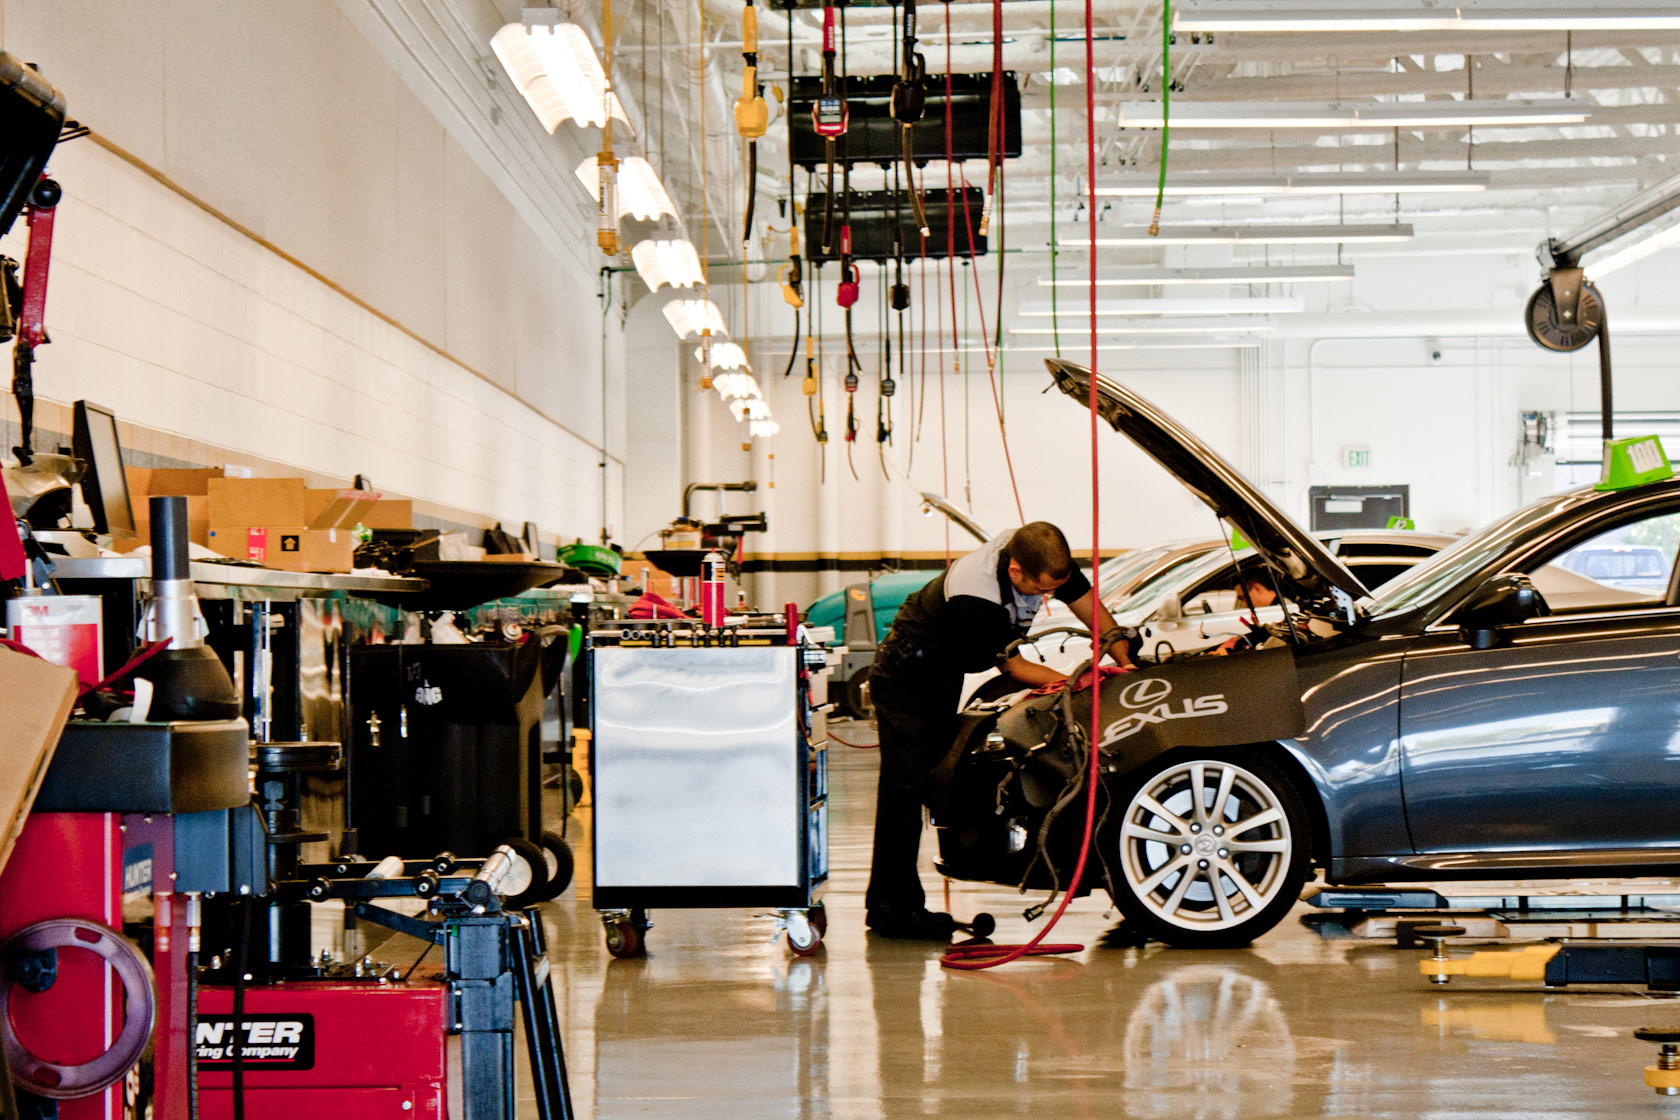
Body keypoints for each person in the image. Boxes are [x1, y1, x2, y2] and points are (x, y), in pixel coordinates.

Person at [865, 522, 1135, 939]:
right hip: (907, 677)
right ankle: (893, 911)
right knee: (906, 790)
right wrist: (1076, 683)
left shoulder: (1042, 555)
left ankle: (891, 903)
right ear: (1015, 571)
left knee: (924, 783)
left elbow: (1089, 606)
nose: (1045, 599)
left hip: (941, 673)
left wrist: (1123, 657)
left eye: (1052, 591)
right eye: (1039, 591)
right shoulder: (977, 594)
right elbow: (1014, 667)